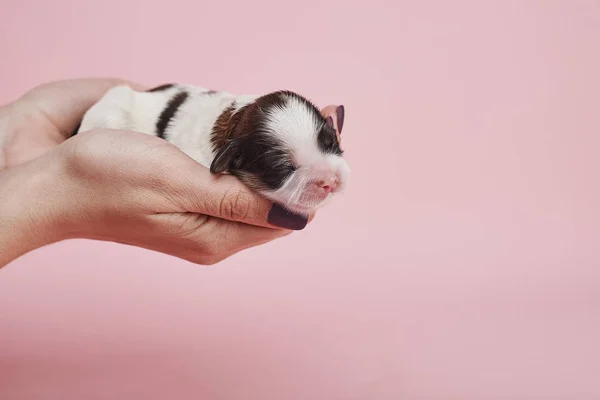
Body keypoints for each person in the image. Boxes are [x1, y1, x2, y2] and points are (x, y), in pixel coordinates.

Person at [0, 78, 313, 268]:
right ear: (227, 159)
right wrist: (53, 188)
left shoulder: (234, 126)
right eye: (283, 166)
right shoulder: (205, 151)